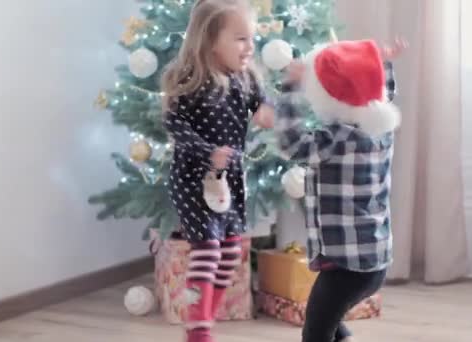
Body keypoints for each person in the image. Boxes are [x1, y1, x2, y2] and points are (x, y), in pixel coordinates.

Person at [275, 38, 406, 342]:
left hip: (347, 265)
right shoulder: (380, 128)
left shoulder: (336, 137)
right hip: (373, 261)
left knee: (316, 331)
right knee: (328, 319)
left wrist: (290, 90)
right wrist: (380, 63)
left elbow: (290, 144)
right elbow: (380, 94)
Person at [161, 1, 273, 341]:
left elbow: (265, 108)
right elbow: (174, 125)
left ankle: (202, 314)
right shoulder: (191, 81)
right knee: (207, 250)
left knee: (229, 254)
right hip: (193, 179)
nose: (249, 47)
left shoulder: (246, 80)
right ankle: (198, 326)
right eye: (240, 38)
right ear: (210, 40)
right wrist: (208, 152)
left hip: (230, 182)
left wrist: (269, 112)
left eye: (251, 39)